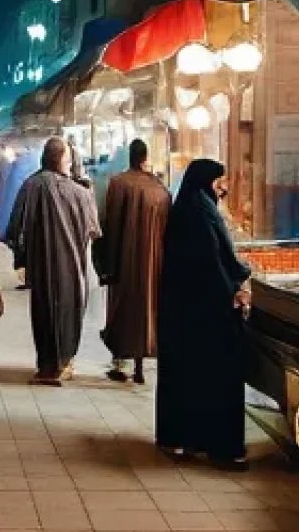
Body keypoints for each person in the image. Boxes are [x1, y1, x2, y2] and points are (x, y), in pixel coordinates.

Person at [156, 159, 251, 468]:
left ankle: (192, 439)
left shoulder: (191, 206)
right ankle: (221, 448)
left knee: (191, 376)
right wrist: (233, 290)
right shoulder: (200, 211)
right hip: (208, 311)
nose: (222, 187)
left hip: (188, 311)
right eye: (218, 182)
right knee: (219, 377)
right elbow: (211, 260)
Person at [19, 137, 101, 385]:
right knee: (68, 312)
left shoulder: (31, 185)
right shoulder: (81, 192)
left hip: (42, 267)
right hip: (73, 268)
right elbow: (94, 230)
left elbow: (15, 229)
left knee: (44, 313)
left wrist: (21, 260)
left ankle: (47, 365)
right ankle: (65, 361)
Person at [99, 139, 171, 385]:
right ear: (145, 157)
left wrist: (107, 264)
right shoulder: (160, 188)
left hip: (126, 262)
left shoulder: (118, 184)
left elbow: (110, 225)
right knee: (147, 311)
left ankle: (121, 362)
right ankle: (140, 367)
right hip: (154, 264)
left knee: (123, 312)